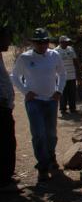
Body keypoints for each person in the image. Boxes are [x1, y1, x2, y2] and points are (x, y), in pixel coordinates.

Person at [11, 28, 66, 182]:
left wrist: (59, 91)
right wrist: (25, 91)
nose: (42, 45)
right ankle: (42, 165)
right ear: (33, 43)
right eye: (39, 42)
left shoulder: (54, 55)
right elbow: (15, 76)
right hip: (34, 102)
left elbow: (62, 74)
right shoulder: (25, 58)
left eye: (45, 41)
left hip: (51, 101)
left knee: (51, 133)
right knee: (38, 133)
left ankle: (51, 156)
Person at [0, 26, 19, 191]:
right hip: (1, 107)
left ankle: (6, 177)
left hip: (5, 107)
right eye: (6, 37)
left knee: (8, 142)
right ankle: (4, 181)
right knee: (5, 143)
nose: (9, 41)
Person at [54, 36, 80, 115]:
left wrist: (78, 73)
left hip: (72, 75)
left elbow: (75, 61)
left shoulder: (70, 49)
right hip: (61, 76)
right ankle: (63, 109)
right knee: (63, 93)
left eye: (67, 42)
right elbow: (54, 64)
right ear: (61, 42)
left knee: (72, 92)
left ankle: (73, 108)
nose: (66, 43)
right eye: (65, 42)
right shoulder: (56, 51)